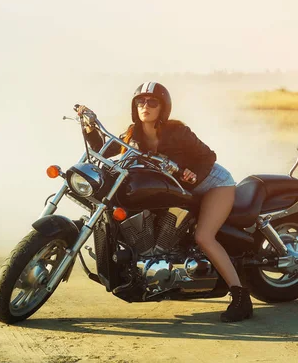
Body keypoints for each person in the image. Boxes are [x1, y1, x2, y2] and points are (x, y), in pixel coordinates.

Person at [80, 81, 253, 322]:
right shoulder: (132, 134)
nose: (145, 106)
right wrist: (90, 129)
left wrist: (194, 172)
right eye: (140, 102)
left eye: (152, 102)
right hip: (181, 189)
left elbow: (208, 156)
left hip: (213, 183)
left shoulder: (178, 132)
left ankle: (240, 297)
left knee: (204, 236)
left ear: (163, 108)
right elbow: (108, 152)